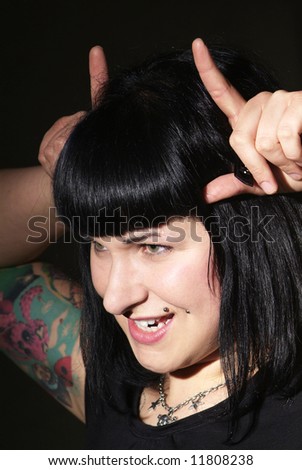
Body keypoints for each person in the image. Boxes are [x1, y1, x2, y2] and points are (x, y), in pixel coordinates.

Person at [1, 38, 302, 449]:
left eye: (154, 247)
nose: (113, 299)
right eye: (99, 244)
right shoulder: (111, 386)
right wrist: (89, 176)